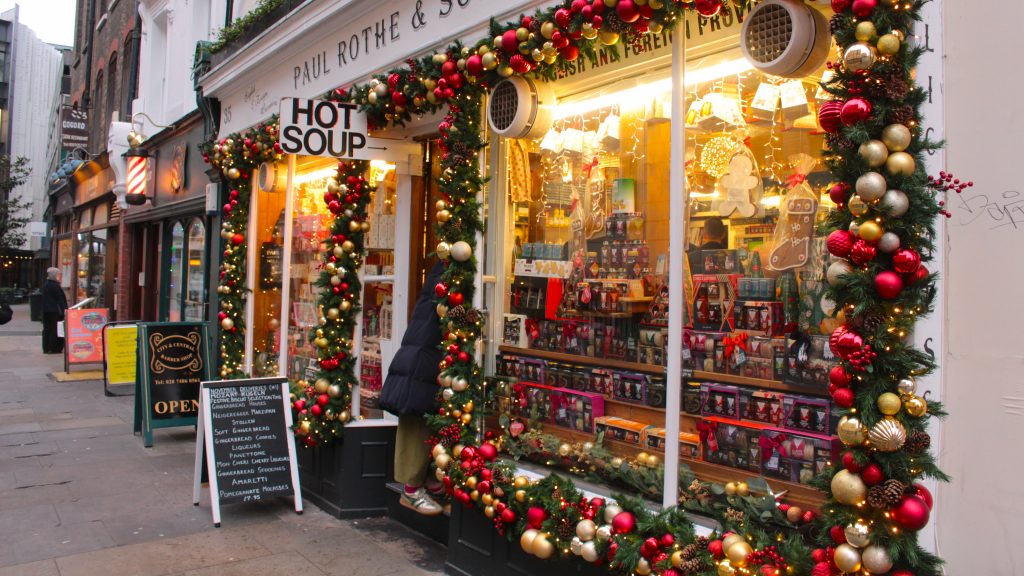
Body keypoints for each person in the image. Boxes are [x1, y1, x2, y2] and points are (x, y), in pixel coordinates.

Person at [379, 261, 446, 516]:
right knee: (419, 419)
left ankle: (425, 478)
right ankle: (412, 488)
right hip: (424, 357)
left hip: (422, 353)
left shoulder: (438, 272)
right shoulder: (444, 277)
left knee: (426, 418)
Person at [41, 267, 68, 354]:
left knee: (47, 329)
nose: (59, 276)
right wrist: (65, 310)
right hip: (55, 311)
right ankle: (53, 348)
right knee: (55, 329)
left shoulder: (46, 285)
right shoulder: (55, 286)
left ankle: (46, 347)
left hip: (46, 310)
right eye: (58, 274)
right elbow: (60, 300)